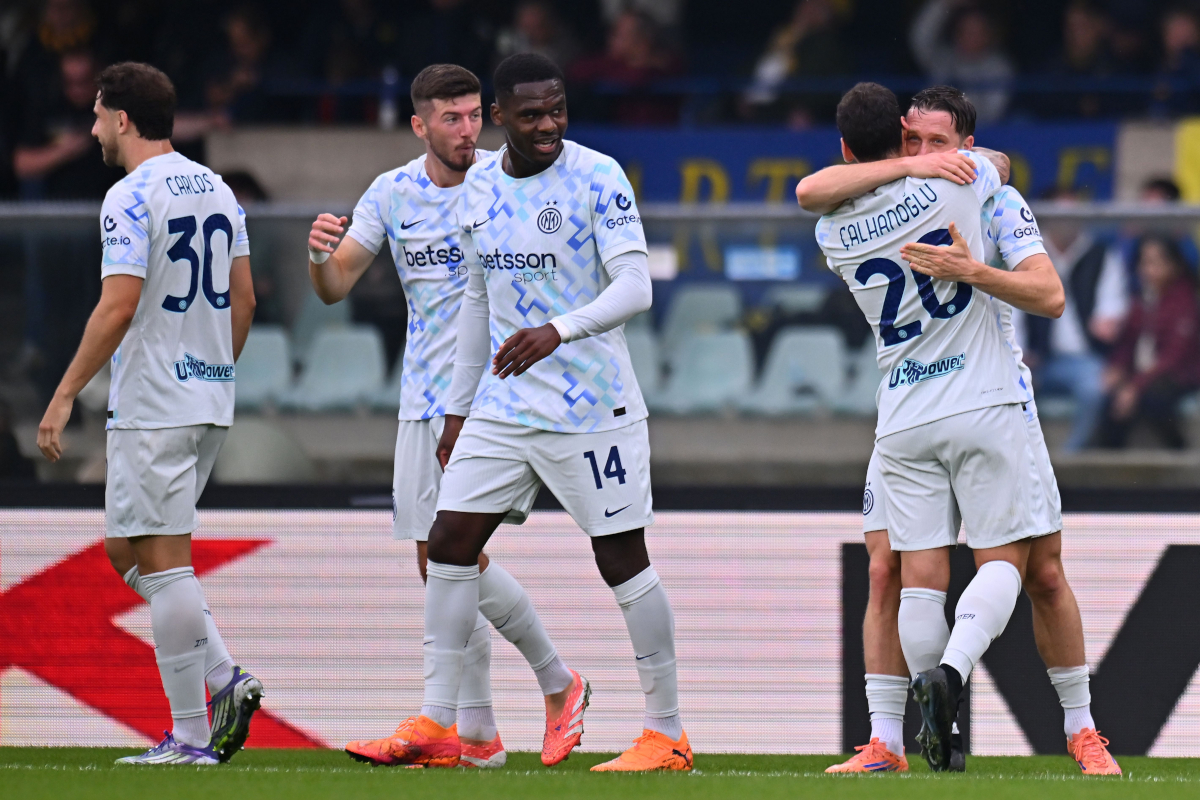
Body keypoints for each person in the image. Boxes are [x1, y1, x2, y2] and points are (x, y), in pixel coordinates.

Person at [798, 84, 1121, 776]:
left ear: (963, 145)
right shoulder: (964, 183)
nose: (922, 151)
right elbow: (989, 165)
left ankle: (1078, 730)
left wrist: (974, 271)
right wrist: (931, 169)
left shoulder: (853, 219)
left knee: (1043, 573)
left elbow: (1050, 295)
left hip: (977, 401)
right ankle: (904, 734)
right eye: (911, 140)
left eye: (936, 143)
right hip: (931, 405)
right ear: (896, 140)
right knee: (895, 571)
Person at [406, 52, 689, 772]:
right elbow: (477, 301)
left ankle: (666, 733)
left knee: (621, 560)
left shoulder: (597, 175)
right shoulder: (477, 187)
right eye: (530, 114)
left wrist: (557, 330)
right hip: (505, 404)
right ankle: (439, 720)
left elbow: (636, 286)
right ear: (500, 116)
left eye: (557, 109)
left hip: (592, 403)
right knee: (448, 542)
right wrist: (457, 411)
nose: (548, 125)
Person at [306, 63, 580, 771]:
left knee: (452, 556)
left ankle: (550, 683)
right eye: (451, 119)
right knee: (441, 566)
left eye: (473, 116)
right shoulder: (391, 193)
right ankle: (479, 735)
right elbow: (336, 285)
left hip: (494, 399)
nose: (467, 131)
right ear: (419, 125)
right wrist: (318, 259)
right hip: (422, 399)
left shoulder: (505, 182)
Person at [35, 62, 262, 765]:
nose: (93, 129)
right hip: (206, 398)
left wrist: (64, 392)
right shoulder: (217, 187)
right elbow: (246, 300)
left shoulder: (130, 195)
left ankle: (191, 734)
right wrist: (212, 371)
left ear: (123, 118)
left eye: (98, 116)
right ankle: (223, 676)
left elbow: (118, 304)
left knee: (164, 564)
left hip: (155, 401)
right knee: (126, 549)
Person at [1025, 189, 1128, 451]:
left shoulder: (1101, 255)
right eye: (1061, 215)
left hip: (1085, 359)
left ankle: (1069, 458)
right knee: (1011, 389)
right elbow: (1010, 309)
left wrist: (1108, 321)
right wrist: (1019, 350)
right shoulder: (1025, 255)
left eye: (1074, 215)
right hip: (1038, 358)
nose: (1068, 222)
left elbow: (1112, 305)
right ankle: (1033, 457)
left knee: (1095, 389)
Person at [1098, 235, 1200, 449]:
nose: (1149, 270)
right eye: (1145, 262)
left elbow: (1173, 357)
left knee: (1152, 400)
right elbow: (1127, 342)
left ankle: (1179, 455)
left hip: (1178, 376)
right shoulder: (1141, 298)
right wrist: (1117, 368)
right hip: (1142, 373)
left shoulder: (1184, 299)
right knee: (1110, 398)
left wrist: (1135, 386)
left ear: (1174, 265)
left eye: (1157, 262)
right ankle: (1110, 463)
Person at [909, 0, 1013, 123]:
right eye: (965, 30)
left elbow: (992, 114)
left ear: (988, 35)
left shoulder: (999, 67)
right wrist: (944, 4)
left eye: (977, 32)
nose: (971, 37)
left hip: (977, 131)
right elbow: (920, 38)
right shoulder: (943, 59)